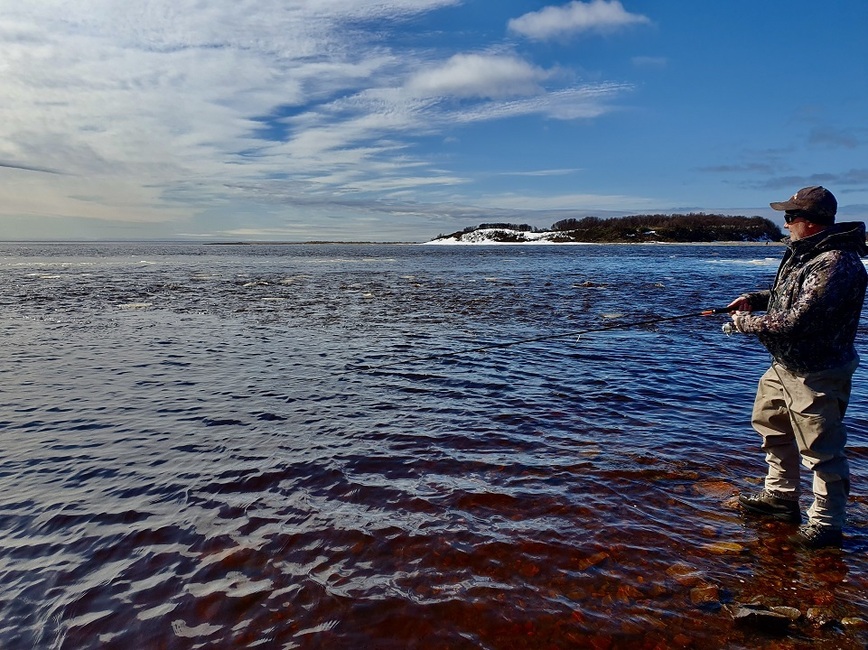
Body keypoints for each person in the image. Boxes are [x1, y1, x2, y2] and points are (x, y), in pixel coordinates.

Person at [726, 185, 867, 549]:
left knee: (821, 448)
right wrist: (754, 299)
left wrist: (745, 324)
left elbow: (796, 321)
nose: (785, 223)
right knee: (771, 426)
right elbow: (788, 297)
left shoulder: (835, 262)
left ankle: (826, 523)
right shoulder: (805, 255)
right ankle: (780, 498)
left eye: (790, 217)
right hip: (785, 364)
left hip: (817, 371)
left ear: (811, 222)